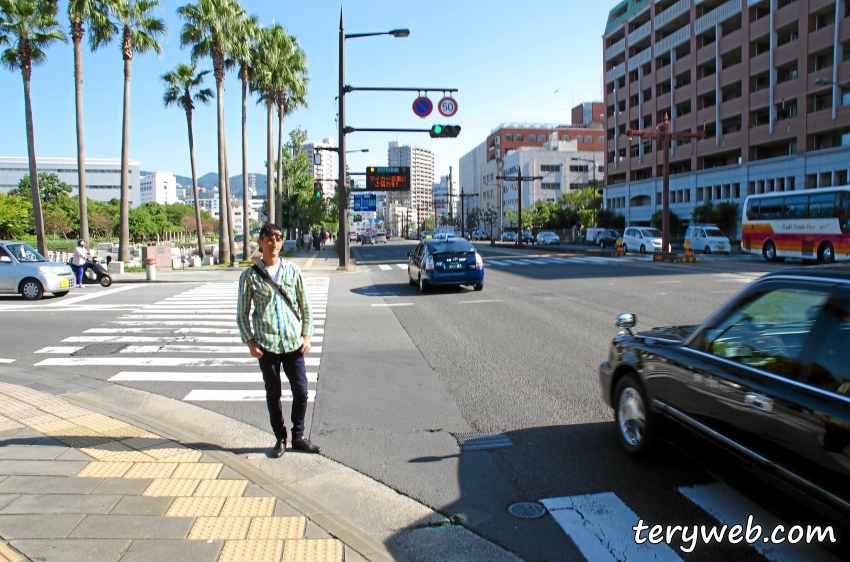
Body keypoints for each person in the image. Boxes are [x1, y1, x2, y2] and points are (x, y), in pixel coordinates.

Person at [237, 224, 320, 458]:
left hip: (293, 343)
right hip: (267, 346)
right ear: (261, 242)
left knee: (301, 392)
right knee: (273, 394)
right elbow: (242, 313)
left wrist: (307, 335)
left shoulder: (293, 271)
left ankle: (299, 436)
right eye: (269, 239)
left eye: (278, 238)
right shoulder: (250, 276)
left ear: (282, 243)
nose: (274, 243)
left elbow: (305, 306)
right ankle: (280, 438)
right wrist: (250, 342)